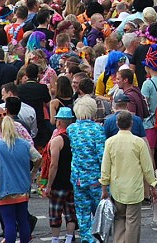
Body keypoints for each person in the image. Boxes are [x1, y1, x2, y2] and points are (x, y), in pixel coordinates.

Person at [100, 111, 157, 243]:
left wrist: (104, 187)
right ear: (131, 123)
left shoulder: (110, 142)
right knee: (133, 222)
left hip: (117, 188)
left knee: (119, 219)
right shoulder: (138, 142)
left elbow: (105, 167)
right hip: (134, 189)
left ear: (117, 123)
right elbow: (147, 167)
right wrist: (153, 185)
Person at [0, 115, 42, 243]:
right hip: (22, 187)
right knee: (23, 220)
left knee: (9, 222)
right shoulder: (25, 144)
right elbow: (38, 158)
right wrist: (32, 173)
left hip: (4, 189)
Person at [67, 97, 106, 234]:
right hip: (95, 177)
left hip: (78, 177)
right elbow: (102, 156)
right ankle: (98, 237)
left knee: (82, 213)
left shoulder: (71, 129)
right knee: (100, 212)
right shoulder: (98, 129)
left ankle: (86, 238)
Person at [42, 107, 77, 243]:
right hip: (72, 180)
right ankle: (69, 238)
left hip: (58, 182)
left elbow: (53, 164)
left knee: (55, 213)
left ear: (59, 122)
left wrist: (49, 185)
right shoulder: (74, 137)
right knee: (71, 213)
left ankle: (55, 239)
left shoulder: (57, 140)